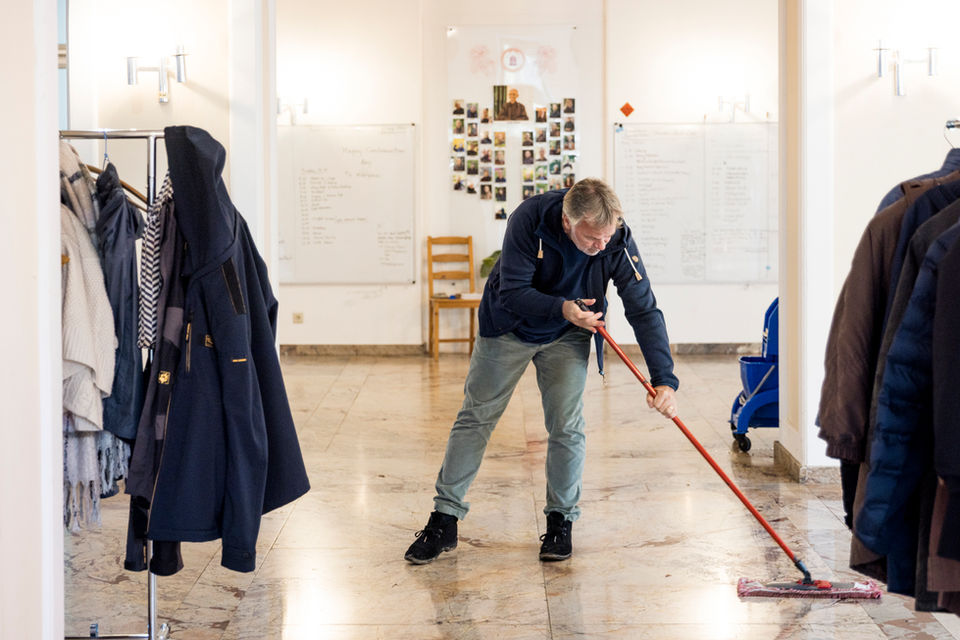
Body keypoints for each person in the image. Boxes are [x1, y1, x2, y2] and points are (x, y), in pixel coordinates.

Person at [404, 178, 679, 565]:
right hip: (509, 326)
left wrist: (664, 379)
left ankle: (560, 521)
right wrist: (563, 307)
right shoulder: (528, 219)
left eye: (607, 237)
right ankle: (444, 519)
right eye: (591, 239)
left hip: (568, 334)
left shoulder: (614, 238)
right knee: (476, 418)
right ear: (568, 222)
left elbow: (643, 307)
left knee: (567, 426)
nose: (601, 247)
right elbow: (511, 291)